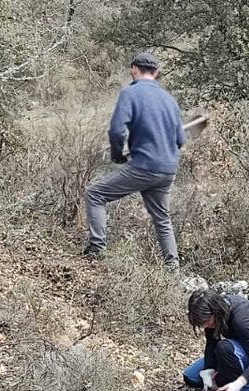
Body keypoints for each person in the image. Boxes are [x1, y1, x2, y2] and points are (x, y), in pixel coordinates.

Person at [83, 51, 186, 268]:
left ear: (134, 70)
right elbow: (180, 139)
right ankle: (172, 266)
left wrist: (118, 155)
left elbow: (117, 131)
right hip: (168, 169)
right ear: (156, 72)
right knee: (162, 218)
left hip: (144, 166)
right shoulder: (170, 100)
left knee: (95, 194)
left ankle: (96, 250)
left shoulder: (130, 93)